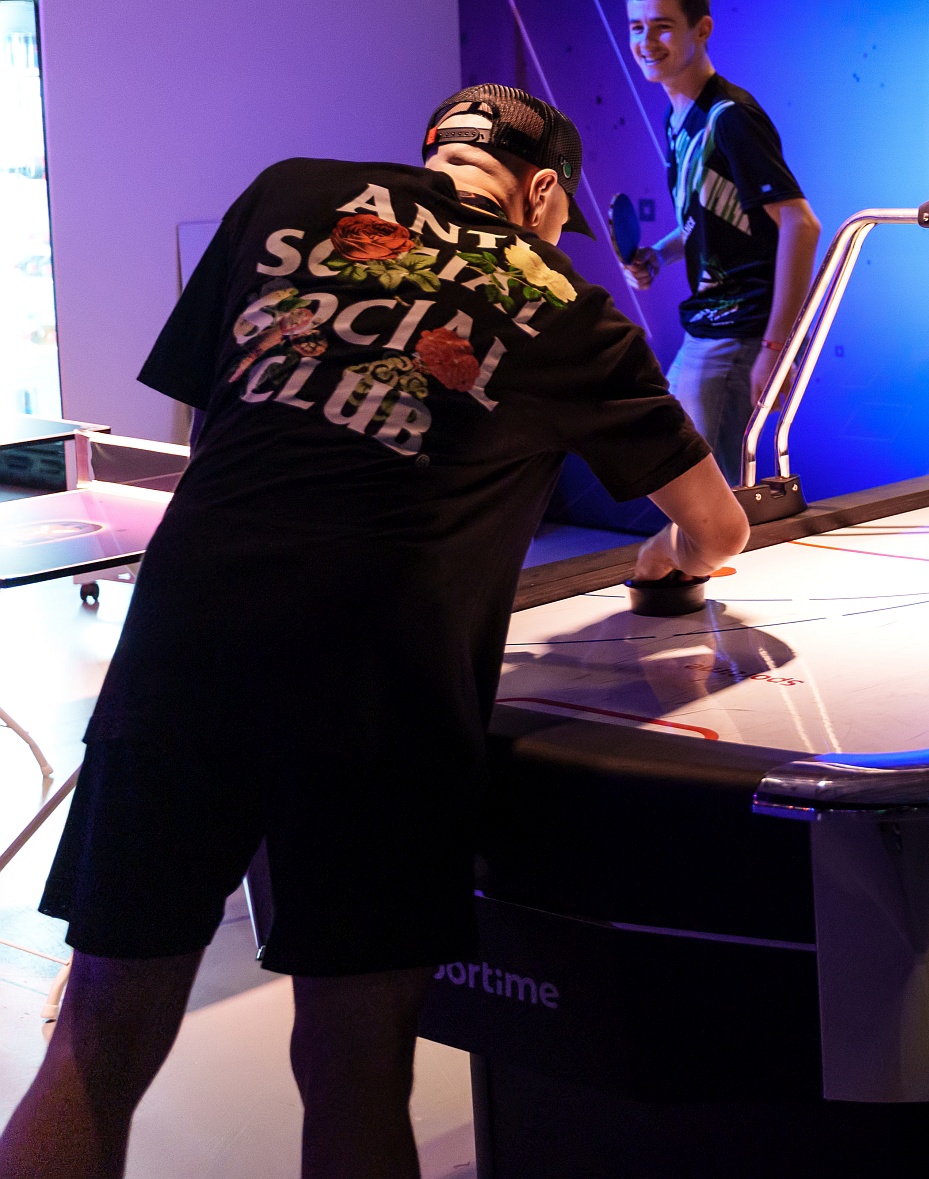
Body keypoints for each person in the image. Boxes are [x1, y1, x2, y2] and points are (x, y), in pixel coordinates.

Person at [0, 86, 748, 1179]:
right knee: (355, 1069)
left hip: (185, 643)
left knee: (96, 1043)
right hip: (379, 695)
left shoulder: (287, 195)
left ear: (434, 152)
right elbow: (718, 528)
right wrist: (668, 557)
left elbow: (213, 424)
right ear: (544, 192)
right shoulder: (568, 306)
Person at [618, 0, 822, 486]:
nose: (647, 42)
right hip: (711, 327)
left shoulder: (730, 116)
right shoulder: (678, 117)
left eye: (662, 26)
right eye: (637, 27)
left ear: (702, 29)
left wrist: (776, 349)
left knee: (710, 494)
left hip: (740, 334)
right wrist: (661, 255)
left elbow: (800, 224)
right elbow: (712, 215)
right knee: (696, 485)